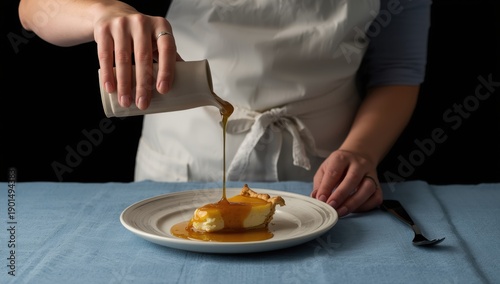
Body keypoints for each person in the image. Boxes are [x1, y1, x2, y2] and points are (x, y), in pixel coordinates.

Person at [18, 0, 431, 217]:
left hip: (320, 183)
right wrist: (101, 12)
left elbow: (397, 72)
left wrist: (362, 152)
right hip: (177, 173)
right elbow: (32, 8)